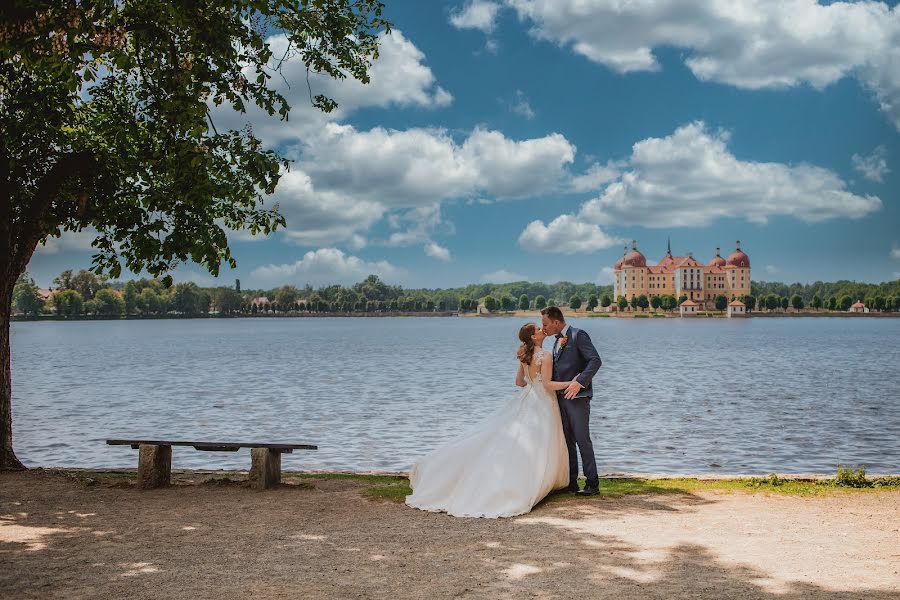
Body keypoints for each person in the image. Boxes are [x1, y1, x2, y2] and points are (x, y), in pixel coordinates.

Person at [405, 322, 572, 518]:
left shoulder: (524, 355)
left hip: (527, 398)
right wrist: (572, 382)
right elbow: (548, 384)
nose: (541, 330)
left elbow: (519, 382)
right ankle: (539, 482)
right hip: (542, 401)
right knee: (540, 440)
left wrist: (532, 383)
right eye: (537, 329)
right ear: (534, 337)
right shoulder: (544, 356)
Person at [540, 306, 603, 495]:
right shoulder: (556, 341)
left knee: (583, 440)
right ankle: (572, 482)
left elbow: (595, 361)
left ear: (556, 322)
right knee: (568, 441)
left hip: (578, 398)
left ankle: (592, 484)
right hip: (560, 399)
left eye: (545, 324)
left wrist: (579, 382)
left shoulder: (578, 335)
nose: (544, 328)